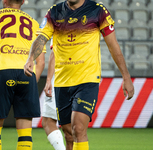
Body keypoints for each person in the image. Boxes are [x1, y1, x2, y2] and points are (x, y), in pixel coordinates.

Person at [24, 0, 135, 150]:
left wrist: (126, 77)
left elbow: (112, 45)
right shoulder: (54, 12)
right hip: (62, 83)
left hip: (87, 80)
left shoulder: (97, 10)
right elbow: (41, 38)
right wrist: (30, 58)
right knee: (69, 134)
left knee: (78, 128)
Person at [0, 0, 45, 150]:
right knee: (25, 130)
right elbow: (41, 62)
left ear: (4, 1)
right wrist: (31, 82)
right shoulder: (33, 23)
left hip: (3, 71)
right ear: (23, 2)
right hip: (27, 75)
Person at [42, 39, 66, 150]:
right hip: (85, 77)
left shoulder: (57, 21)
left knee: (48, 121)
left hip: (62, 76)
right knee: (75, 126)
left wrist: (48, 80)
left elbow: (55, 52)